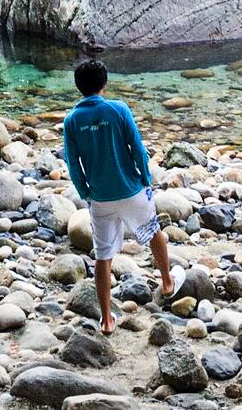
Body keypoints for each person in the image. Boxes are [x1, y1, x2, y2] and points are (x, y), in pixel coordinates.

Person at [61, 57, 174, 334]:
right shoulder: (118, 109)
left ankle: (107, 320)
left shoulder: (72, 120)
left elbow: (73, 164)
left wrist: (85, 192)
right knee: (153, 231)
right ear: (105, 83)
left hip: (100, 198)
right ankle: (167, 282)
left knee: (103, 255)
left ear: (78, 87)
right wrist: (145, 179)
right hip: (131, 190)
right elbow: (137, 147)